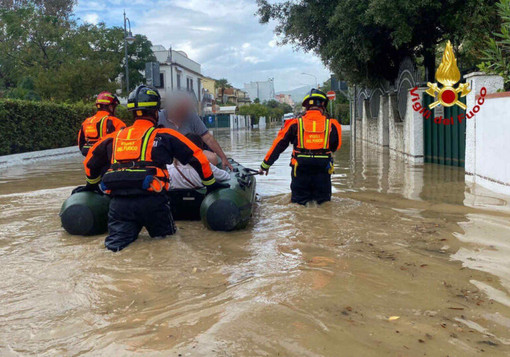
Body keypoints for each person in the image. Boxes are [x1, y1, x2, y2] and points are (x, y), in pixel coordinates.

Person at [81, 85, 228, 252]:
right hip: (153, 202)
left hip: (119, 204)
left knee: (116, 248)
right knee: (166, 245)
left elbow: (89, 162)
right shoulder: (165, 136)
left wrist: (91, 186)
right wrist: (210, 184)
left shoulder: (113, 138)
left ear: (131, 112)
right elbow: (198, 158)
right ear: (156, 112)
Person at [258, 89, 342, 205]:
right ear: (323, 105)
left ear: (306, 106)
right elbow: (335, 147)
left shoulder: (294, 123)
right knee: (323, 204)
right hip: (322, 169)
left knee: (299, 205)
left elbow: (278, 145)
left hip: (300, 168)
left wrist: (265, 165)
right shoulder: (332, 124)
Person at [158, 91, 233, 170]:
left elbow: (208, 138)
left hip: (189, 153)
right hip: (167, 154)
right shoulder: (159, 117)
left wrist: (223, 157)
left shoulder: (191, 116)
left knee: (212, 158)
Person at [77, 91, 126, 156]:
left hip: (90, 163)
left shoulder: (86, 122)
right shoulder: (116, 122)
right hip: (109, 163)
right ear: (110, 107)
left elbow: (80, 144)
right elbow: (123, 145)